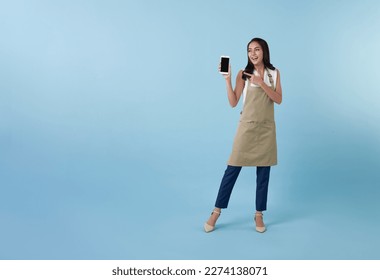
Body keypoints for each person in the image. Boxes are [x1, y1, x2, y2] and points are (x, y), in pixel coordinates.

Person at [204, 37, 282, 233]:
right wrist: (228, 80)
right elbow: (233, 102)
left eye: (256, 49)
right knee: (231, 170)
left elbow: (278, 99)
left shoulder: (274, 73)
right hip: (246, 128)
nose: (253, 54)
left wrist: (261, 83)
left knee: (263, 174)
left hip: (266, 130)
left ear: (264, 51)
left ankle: (258, 215)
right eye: (249, 50)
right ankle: (216, 211)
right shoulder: (243, 73)